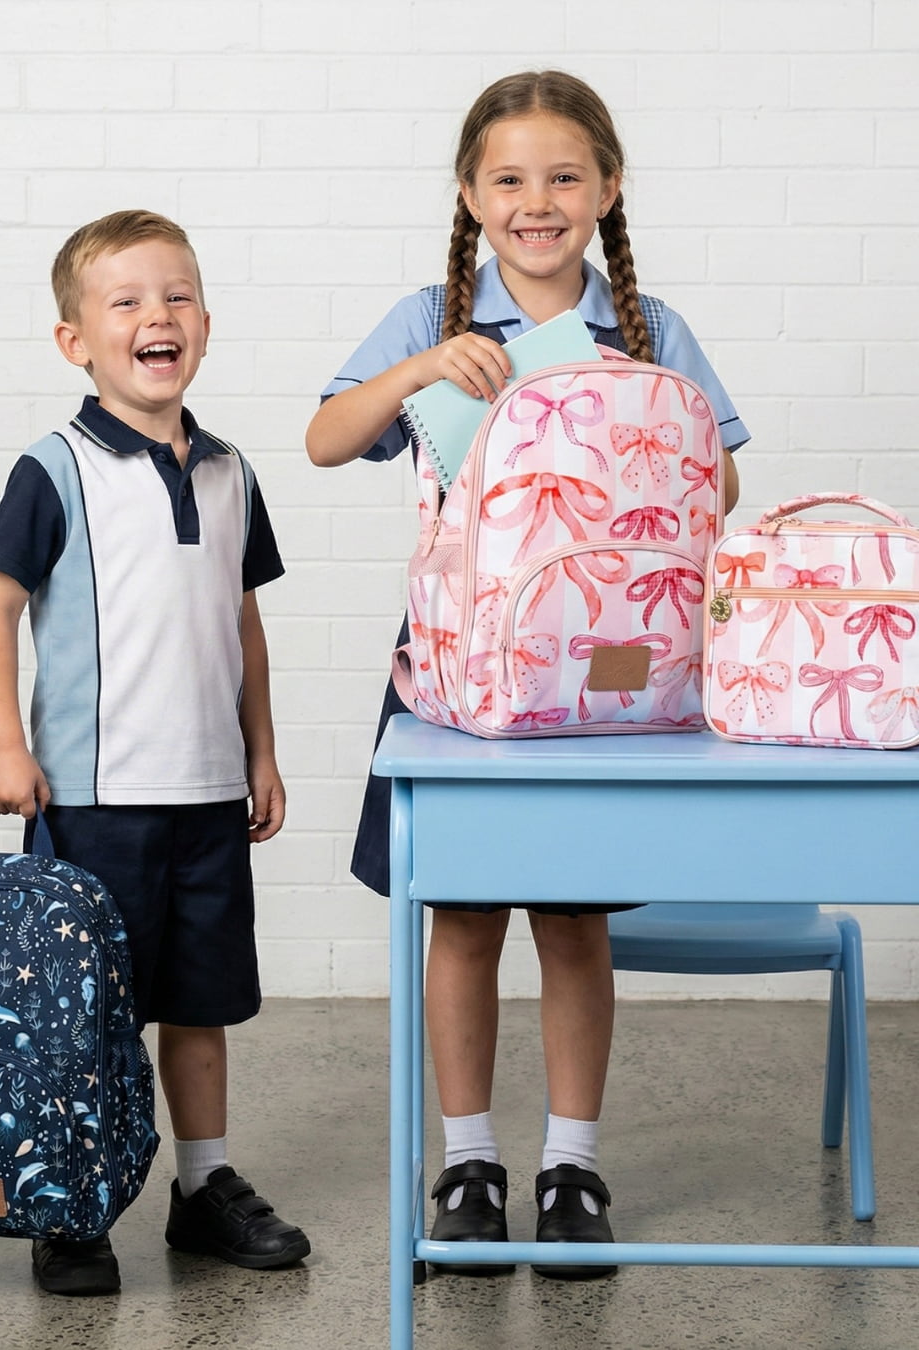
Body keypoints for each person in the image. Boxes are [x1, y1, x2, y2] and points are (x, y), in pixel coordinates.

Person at [305, 70, 747, 1278]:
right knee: (461, 916)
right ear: (470, 193)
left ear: (609, 189)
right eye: (509, 178)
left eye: (565, 176)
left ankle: (572, 1163)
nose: (538, 201)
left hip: (604, 686)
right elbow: (327, 437)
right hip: (459, 688)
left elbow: (720, 485)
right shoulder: (431, 317)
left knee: (572, 923)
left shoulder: (646, 329)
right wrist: (422, 373)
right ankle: (465, 1159)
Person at [0, 209, 309, 1296]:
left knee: (199, 1007)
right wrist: (2, 744)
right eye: (126, 301)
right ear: (76, 340)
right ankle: (69, 1201)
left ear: (204, 320)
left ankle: (201, 1187)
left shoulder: (229, 469)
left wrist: (262, 752)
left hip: (208, 796)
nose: (156, 316)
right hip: (93, 798)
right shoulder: (55, 467)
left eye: (177, 296)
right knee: (88, 1014)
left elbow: (241, 621)